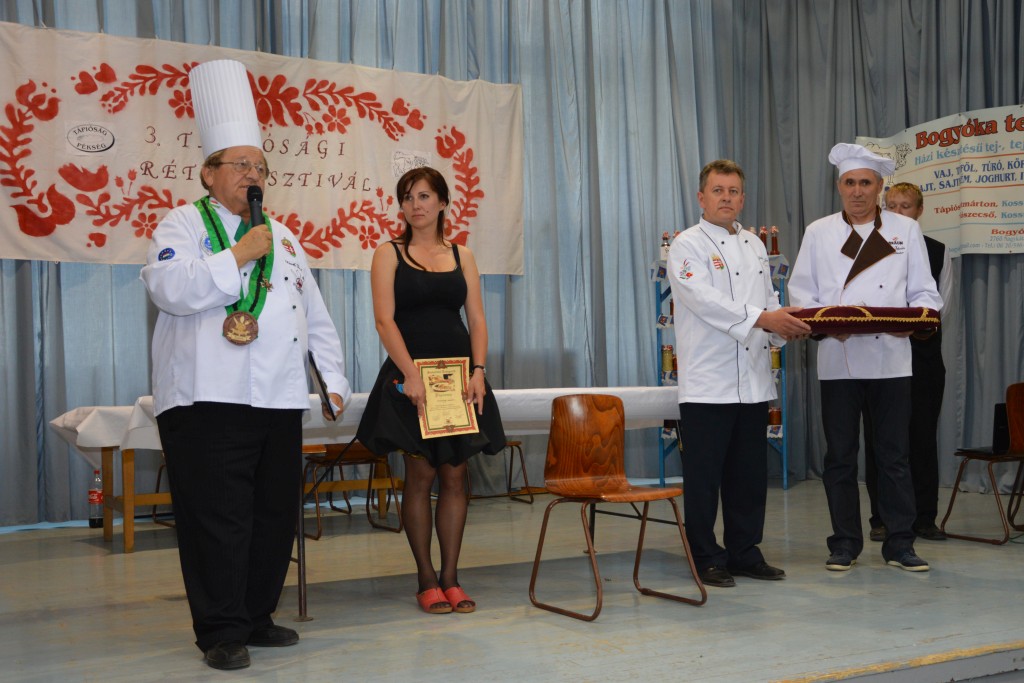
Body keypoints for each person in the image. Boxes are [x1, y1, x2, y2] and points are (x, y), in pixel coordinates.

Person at [141, 60, 352, 671]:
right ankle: (221, 629)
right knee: (217, 519)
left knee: (272, 515)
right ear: (209, 173)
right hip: (206, 399)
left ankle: (257, 615)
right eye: (240, 165)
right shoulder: (182, 223)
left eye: (260, 167)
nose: (253, 176)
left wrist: (333, 380)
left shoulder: (284, 238)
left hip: (279, 399)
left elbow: (313, 313)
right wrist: (237, 254)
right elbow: (169, 290)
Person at [356, 166, 506, 614]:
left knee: (456, 474)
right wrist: (410, 374)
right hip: (411, 378)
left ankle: (451, 578)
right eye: (407, 197)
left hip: (458, 378)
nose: (415, 205)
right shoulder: (388, 253)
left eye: (423, 196)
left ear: (442, 202)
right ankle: (426, 579)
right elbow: (384, 320)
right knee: (420, 475)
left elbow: (476, 319)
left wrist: (478, 370)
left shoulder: (463, 255)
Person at [788, 144, 942, 573]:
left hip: (891, 357)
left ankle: (900, 544)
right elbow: (802, 293)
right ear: (839, 187)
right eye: (850, 182)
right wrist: (823, 324)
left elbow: (925, 292)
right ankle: (844, 543)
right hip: (838, 359)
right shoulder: (818, 232)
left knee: (894, 455)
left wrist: (916, 321)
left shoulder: (904, 229)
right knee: (839, 456)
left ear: (879, 188)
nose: (857, 191)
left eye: (865, 183)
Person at [666, 159, 811, 588]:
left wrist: (783, 328)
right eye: (718, 190)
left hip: (753, 380)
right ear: (701, 197)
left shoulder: (754, 245)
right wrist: (765, 318)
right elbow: (703, 301)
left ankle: (745, 552)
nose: (726, 198)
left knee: (748, 476)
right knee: (704, 479)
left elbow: (768, 299)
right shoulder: (686, 245)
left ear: (742, 199)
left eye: (733, 191)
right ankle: (706, 557)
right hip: (708, 383)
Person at [865, 182, 952, 542]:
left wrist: (912, 328)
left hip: (923, 359)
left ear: (919, 211)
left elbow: (941, 307)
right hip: (879, 356)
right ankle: (882, 518)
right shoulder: (869, 247)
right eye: (892, 206)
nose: (899, 212)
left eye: (906, 206)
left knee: (922, 438)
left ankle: (924, 517)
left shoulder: (938, 251)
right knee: (880, 439)